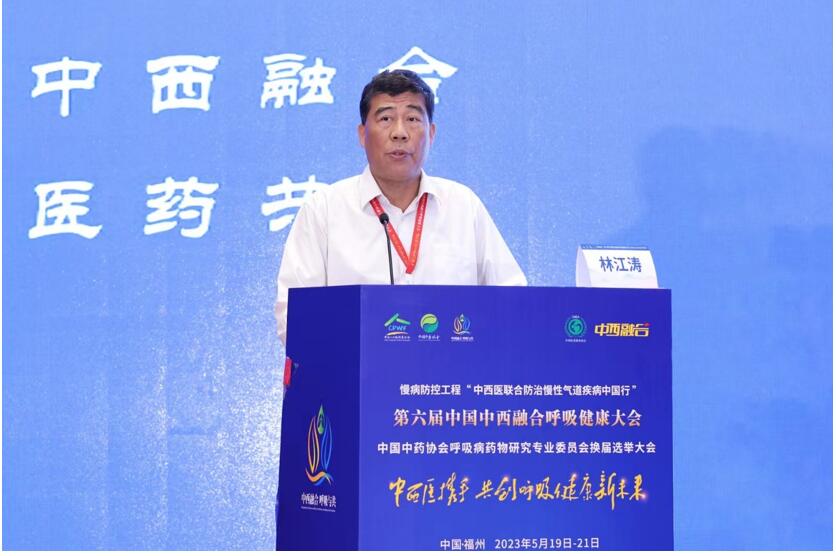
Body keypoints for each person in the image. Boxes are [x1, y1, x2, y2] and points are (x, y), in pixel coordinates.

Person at [275, 69, 526, 344]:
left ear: (431, 133)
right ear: (362, 134)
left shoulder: (464, 207)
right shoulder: (324, 210)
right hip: (356, 368)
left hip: (451, 369)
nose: (399, 133)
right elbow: (294, 317)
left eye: (412, 119)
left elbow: (514, 302)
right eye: (385, 119)